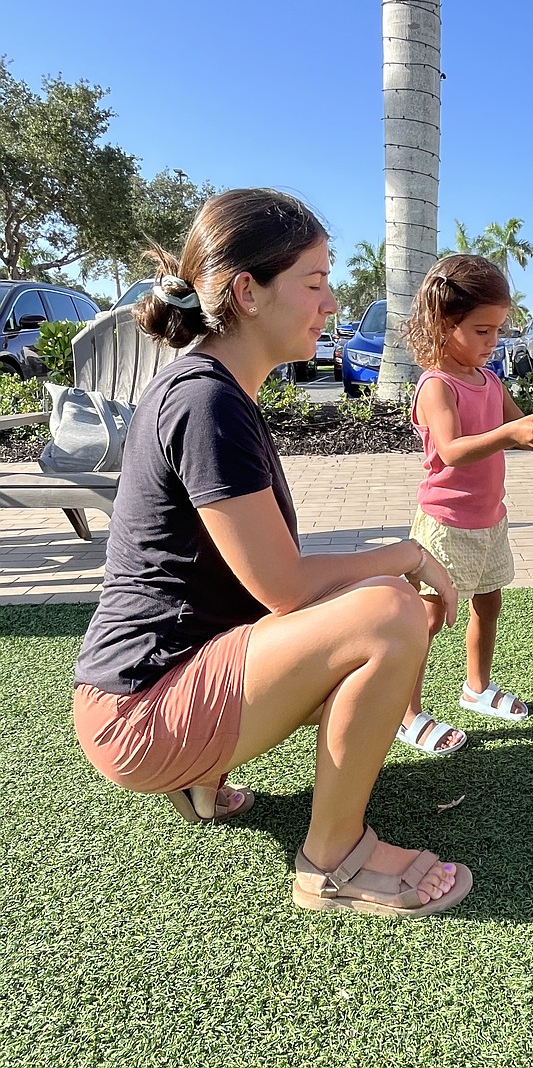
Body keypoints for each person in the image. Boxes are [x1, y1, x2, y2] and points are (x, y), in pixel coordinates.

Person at [72, 188, 473, 918]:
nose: (330, 303)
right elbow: (286, 587)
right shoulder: (205, 401)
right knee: (387, 614)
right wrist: (408, 555)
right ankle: (334, 860)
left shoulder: (216, 393)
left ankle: (200, 781)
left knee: (374, 605)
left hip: (144, 695)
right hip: (138, 715)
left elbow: (255, 584)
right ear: (247, 292)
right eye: (315, 284)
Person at [394, 255, 533, 754]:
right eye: (482, 331)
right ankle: (404, 712)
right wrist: (508, 434)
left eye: (498, 330)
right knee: (430, 617)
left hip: (490, 519)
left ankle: (475, 688)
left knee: (489, 602)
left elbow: (526, 428)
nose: (493, 342)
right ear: (444, 325)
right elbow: (451, 450)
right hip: (445, 523)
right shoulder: (436, 385)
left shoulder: (491, 381)